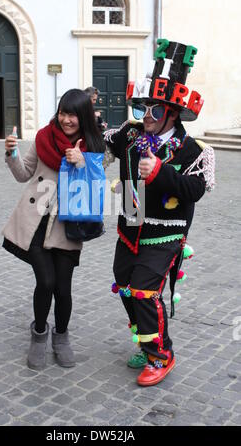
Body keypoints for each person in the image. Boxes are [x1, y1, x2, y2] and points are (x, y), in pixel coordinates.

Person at [104, 39, 215, 386]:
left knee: (144, 291)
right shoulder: (130, 134)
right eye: (142, 109)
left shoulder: (193, 150)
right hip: (129, 224)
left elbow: (196, 190)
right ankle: (144, 340)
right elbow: (100, 146)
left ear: (170, 112)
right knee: (124, 285)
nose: (145, 117)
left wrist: (160, 174)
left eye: (153, 110)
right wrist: (80, 153)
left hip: (165, 233)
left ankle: (161, 354)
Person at [2, 88, 105, 370]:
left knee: (63, 288)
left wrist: (83, 162)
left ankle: (61, 337)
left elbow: (100, 181)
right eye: (62, 112)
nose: (66, 119)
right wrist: (12, 153)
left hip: (68, 226)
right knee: (45, 282)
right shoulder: (43, 137)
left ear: (83, 116)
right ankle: (38, 335)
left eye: (72, 114)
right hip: (36, 221)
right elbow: (24, 173)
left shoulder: (94, 144)